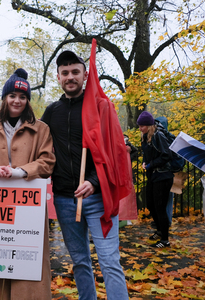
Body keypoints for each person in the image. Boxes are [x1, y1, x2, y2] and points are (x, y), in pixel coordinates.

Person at [41, 50, 129, 300]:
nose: (70, 77)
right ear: (58, 77)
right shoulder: (52, 112)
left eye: (75, 72)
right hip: (65, 201)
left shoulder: (101, 107)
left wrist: (92, 181)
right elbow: (31, 139)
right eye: (65, 73)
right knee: (79, 262)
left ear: (85, 75)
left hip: (98, 200)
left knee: (109, 262)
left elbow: (112, 151)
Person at [0, 68, 55, 300]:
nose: (17, 101)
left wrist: (19, 172)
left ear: (27, 101)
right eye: (12, 96)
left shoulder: (41, 129)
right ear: (4, 98)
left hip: (29, 210)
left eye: (22, 97)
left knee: (30, 264)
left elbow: (47, 163)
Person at [137, 111, 174, 248]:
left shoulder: (158, 135)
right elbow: (148, 155)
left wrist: (151, 164)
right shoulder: (146, 136)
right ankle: (159, 231)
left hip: (163, 176)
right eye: (139, 126)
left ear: (149, 125)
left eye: (142, 126)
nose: (140, 128)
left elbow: (166, 155)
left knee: (160, 207)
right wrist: (145, 162)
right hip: (153, 175)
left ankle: (165, 239)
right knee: (151, 205)